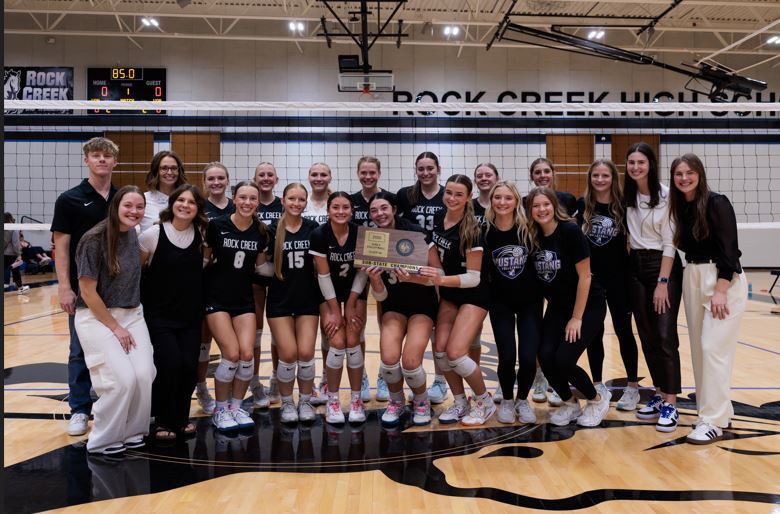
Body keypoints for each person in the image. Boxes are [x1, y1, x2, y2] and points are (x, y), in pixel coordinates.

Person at [402, 174, 494, 426]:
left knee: (456, 353)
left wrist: (439, 280)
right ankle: (460, 402)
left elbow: (473, 278)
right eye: (449, 193)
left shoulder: (473, 230)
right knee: (441, 350)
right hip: (450, 295)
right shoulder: (438, 221)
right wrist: (411, 277)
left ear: (468, 197)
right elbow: (437, 271)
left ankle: (484, 401)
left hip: (474, 295)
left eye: (459, 194)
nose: (452, 198)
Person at [669, 153, 747, 444]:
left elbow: (730, 250)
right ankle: (714, 413)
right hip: (693, 275)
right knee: (700, 352)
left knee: (712, 348)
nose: (684, 178)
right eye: (679, 174)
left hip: (722, 279)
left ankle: (713, 421)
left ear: (699, 174)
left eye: (689, 173)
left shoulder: (717, 203)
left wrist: (721, 289)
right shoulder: (680, 207)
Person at [73, 185, 155, 455]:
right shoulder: (93, 239)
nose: (134, 211)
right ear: (115, 206)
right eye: (128, 205)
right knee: (121, 380)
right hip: (97, 316)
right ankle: (104, 440)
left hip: (132, 314)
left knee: (144, 375)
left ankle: (132, 431)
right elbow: (87, 291)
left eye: (139, 207)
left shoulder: (133, 234)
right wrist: (116, 327)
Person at [52, 137, 119, 437]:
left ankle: (113, 406)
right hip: (83, 288)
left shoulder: (121, 197)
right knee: (79, 351)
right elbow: (61, 247)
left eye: (107, 156)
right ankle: (79, 409)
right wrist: (64, 287)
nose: (102, 160)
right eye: (96, 155)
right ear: (86, 160)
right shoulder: (69, 199)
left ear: (115, 162)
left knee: (117, 349)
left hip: (117, 289)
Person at [528, 187, 609, 427]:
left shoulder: (570, 231)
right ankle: (570, 403)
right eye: (536, 206)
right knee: (544, 356)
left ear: (554, 206)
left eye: (546, 204)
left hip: (588, 305)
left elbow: (585, 277)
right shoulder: (532, 236)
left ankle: (597, 400)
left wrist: (577, 318)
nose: (541, 209)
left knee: (563, 359)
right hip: (558, 306)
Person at [140, 184, 208, 439]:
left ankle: (180, 419)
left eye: (191, 202)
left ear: (198, 208)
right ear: (172, 204)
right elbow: (136, 274)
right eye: (181, 200)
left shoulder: (202, 235)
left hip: (190, 315)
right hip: (159, 316)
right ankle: (162, 421)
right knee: (169, 364)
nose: (185, 205)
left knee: (189, 367)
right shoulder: (152, 234)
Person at [365, 191, 439, 426]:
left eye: (384, 208)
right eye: (374, 210)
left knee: (410, 361)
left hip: (422, 305)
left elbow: (439, 275)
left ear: (394, 209)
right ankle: (396, 401)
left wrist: (413, 278)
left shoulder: (416, 234)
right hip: (393, 305)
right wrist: (375, 280)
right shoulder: (373, 241)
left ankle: (421, 401)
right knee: (388, 360)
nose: (379, 214)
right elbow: (380, 296)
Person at [624, 142, 683, 433]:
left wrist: (662, 282)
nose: (636, 167)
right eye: (631, 162)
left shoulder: (667, 196)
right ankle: (659, 394)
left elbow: (671, 243)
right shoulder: (627, 196)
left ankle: (671, 403)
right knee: (647, 336)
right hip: (635, 267)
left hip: (663, 266)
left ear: (650, 165)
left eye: (641, 162)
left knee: (664, 335)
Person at [203, 181, 270, 432]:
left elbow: (261, 268)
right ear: (234, 199)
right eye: (243, 197)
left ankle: (236, 407)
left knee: (247, 355)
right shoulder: (217, 226)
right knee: (231, 354)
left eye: (252, 198)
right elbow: (204, 260)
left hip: (243, 300)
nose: (247, 202)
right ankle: (220, 410)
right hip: (216, 299)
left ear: (257, 202)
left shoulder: (261, 232)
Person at [576, 160, 640, 411]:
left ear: (613, 178)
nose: (600, 180)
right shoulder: (583, 205)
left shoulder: (624, 206)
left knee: (624, 331)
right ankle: (598, 383)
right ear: (590, 178)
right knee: (594, 333)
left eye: (605, 175)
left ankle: (632, 386)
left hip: (619, 279)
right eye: (596, 175)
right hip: (592, 280)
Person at [482, 181, 543, 424]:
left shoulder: (529, 230)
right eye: (497, 197)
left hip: (530, 302)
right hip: (501, 303)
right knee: (507, 357)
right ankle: (507, 400)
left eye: (508, 198)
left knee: (528, 357)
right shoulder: (484, 231)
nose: (502, 202)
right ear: (491, 200)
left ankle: (522, 400)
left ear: (517, 201)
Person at [310, 192, 370, 424]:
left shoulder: (361, 233)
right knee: (336, 340)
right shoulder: (319, 234)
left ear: (352, 211)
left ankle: (356, 400)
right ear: (328, 210)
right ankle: (333, 400)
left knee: (353, 339)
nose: (341, 211)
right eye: (336, 207)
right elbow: (323, 275)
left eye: (346, 207)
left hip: (356, 289)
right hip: (328, 292)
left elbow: (363, 272)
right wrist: (336, 311)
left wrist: (352, 304)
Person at [395, 151, 449, 405]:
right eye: (421, 169)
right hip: (412, 259)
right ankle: (392, 374)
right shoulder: (405, 195)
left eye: (430, 168)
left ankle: (440, 380)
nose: (426, 173)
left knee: (439, 325)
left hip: (440, 257)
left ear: (439, 169)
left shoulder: (447, 194)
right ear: (416, 170)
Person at [265, 183, 321, 424]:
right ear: (283, 201)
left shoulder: (313, 229)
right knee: (287, 354)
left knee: (306, 353)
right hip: (280, 301)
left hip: (308, 300)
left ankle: (305, 401)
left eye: (301, 199)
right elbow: (261, 264)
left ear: (306, 202)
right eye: (292, 199)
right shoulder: (271, 230)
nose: (296, 203)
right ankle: (287, 402)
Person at [194, 162, 235, 415]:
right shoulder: (197, 208)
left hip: (233, 282)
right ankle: (201, 388)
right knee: (203, 341)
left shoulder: (236, 206)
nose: (216, 182)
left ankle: (229, 393)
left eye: (221, 178)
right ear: (205, 182)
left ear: (227, 180)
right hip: (203, 281)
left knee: (233, 344)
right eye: (211, 179)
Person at [349, 156, 388, 400]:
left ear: (379, 173)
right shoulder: (351, 201)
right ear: (357, 174)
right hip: (356, 267)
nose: (368, 176)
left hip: (385, 267)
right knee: (358, 324)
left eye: (372, 172)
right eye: (363, 172)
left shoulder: (388, 198)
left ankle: (385, 375)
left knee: (385, 324)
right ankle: (361, 376)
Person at [250, 162, 284, 409]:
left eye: (269, 174)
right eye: (261, 175)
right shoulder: (248, 202)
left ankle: (275, 378)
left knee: (278, 327)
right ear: (255, 178)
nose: (265, 178)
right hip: (252, 273)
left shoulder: (283, 204)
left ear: (276, 179)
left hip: (279, 272)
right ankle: (253, 381)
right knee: (255, 328)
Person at [471, 163, 500, 401]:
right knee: (474, 334)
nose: (483, 178)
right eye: (479, 175)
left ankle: (507, 381)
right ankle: (476, 382)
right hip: (476, 277)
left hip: (503, 275)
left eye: (488, 174)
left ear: (496, 178)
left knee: (507, 334)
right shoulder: (469, 207)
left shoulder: (504, 203)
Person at [140, 151, 187, 232]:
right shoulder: (143, 199)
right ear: (156, 171)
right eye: (164, 168)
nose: (169, 172)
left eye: (174, 168)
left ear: (179, 171)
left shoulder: (187, 199)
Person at [4, 213, 30, 294]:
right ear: (10, 218)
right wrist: (19, 254)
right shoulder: (13, 228)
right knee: (15, 270)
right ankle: (19, 287)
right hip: (11, 254)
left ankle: (18, 287)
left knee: (8, 268)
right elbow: (15, 243)